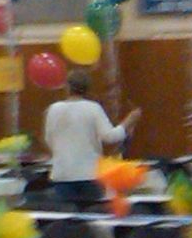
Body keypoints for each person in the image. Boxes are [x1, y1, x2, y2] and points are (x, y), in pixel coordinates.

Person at [43, 69, 139, 206]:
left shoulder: (53, 109)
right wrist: (129, 120)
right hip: (89, 175)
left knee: (66, 220)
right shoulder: (93, 108)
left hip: (62, 174)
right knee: (91, 216)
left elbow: (49, 139)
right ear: (87, 88)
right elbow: (110, 137)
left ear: (67, 87)